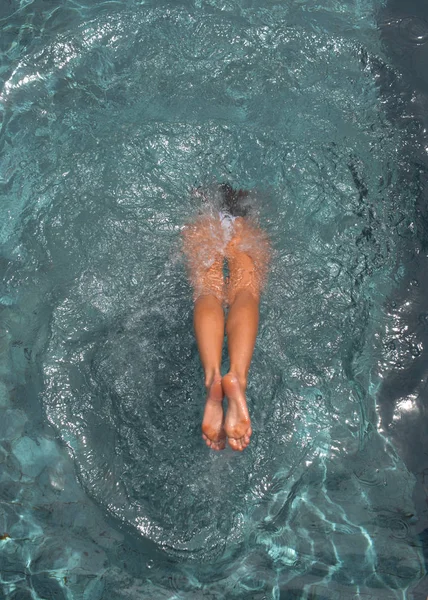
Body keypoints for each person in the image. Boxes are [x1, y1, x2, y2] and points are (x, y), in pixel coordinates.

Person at [182, 184, 270, 451]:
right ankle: (238, 378)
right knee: (246, 291)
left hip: (206, 227)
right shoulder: (250, 223)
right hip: (245, 229)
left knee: (207, 290)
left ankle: (212, 379)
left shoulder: (202, 219)